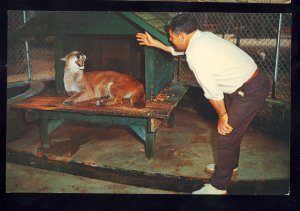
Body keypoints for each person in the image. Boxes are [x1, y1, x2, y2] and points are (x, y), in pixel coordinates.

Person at [136, 14, 270, 195]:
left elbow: (212, 92)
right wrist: (155, 43)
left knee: (225, 133)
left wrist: (223, 116)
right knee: (233, 131)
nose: (169, 39)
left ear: (183, 35)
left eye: (171, 37)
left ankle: (219, 187)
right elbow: (179, 50)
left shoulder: (196, 54)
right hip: (243, 85)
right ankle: (230, 166)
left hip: (249, 91)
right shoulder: (202, 37)